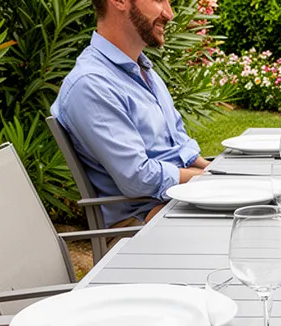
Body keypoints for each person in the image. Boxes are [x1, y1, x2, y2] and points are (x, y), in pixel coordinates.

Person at [51, 0, 209, 229]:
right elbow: (139, 178)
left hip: (174, 203)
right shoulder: (92, 84)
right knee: (253, 224)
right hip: (139, 227)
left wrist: (216, 170)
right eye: (158, 0)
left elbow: (178, 144)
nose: (170, 13)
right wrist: (206, 180)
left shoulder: (144, 71)